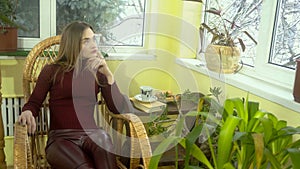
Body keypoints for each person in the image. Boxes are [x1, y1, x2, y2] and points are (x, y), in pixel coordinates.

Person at [18, 21, 137, 169]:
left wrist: (108, 74)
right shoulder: (51, 70)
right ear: (73, 44)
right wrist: (28, 111)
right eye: (86, 41)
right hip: (61, 139)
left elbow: (117, 109)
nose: (93, 45)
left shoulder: (97, 71)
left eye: (94, 39)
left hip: (93, 135)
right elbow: (34, 102)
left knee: (104, 143)